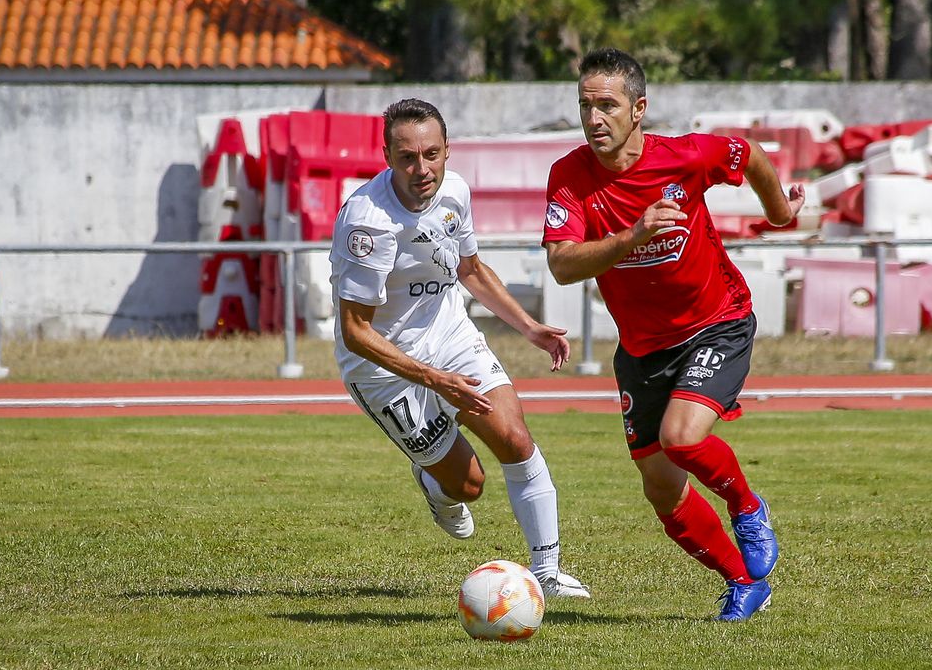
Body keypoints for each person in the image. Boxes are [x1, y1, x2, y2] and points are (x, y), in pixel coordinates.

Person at [542, 48, 803, 621]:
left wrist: (780, 213)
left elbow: (747, 153)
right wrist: (633, 236)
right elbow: (562, 264)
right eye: (585, 105)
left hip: (718, 322)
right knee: (660, 487)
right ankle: (742, 582)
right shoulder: (569, 175)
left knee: (683, 438)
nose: (594, 118)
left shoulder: (686, 156)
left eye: (606, 105)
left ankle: (746, 504)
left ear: (639, 109)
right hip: (641, 351)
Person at [329, 97, 590, 599]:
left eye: (431, 154)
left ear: (448, 150)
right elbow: (355, 331)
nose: (421, 168)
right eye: (407, 157)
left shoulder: (455, 192)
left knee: (515, 440)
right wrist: (435, 380)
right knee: (469, 486)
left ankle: (548, 574)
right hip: (382, 367)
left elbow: (469, 269)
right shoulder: (369, 222)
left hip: (450, 337)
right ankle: (434, 484)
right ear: (386, 156)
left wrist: (528, 327)